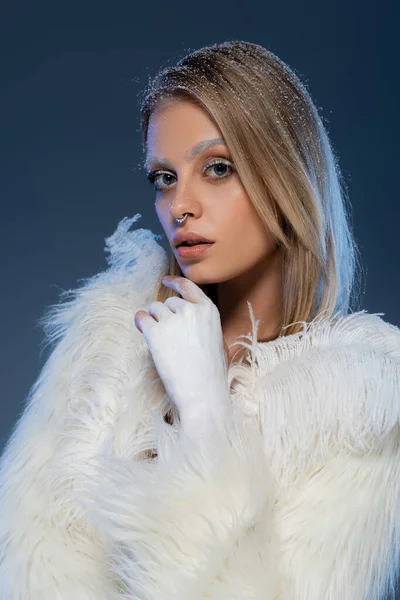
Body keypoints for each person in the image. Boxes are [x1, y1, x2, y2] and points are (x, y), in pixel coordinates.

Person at [0, 40, 399, 600]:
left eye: (217, 168)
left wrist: (207, 411)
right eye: (163, 177)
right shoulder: (107, 341)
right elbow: (26, 567)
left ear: (284, 176)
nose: (179, 205)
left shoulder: (361, 401)